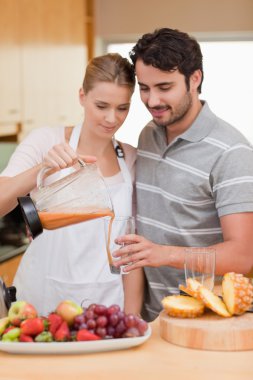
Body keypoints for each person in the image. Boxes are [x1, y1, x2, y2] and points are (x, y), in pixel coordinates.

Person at [112, 28, 253, 322]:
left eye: (165, 87)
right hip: (154, 319)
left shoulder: (232, 152)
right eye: (144, 88)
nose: (152, 101)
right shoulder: (149, 134)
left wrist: (163, 254)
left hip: (206, 320)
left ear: (195, 79)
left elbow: (242, 255)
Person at [0, 53, 143, 316]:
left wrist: (132, 321)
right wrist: (43, 169)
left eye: (122, 108)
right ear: (82, 96)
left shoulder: (130, 157)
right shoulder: (45, 140)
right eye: (102, 106)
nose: (112, 118)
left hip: (107, 305)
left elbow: (131, 252)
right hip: (42, 301)